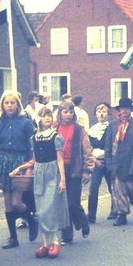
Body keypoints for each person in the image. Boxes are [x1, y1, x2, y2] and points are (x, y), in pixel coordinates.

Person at [11, 106, 69, 258]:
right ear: (39, 119)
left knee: (51, 208)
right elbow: (34, 160)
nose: (47, 118)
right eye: (44, 116)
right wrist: (20, 168)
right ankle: (45, 243)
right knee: (41, 210)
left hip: (52, 174)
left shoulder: (56, 137)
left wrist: (62, 180)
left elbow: (60, 159)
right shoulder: (34, 138)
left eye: (49, 115)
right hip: (39, 174)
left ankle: (55, 242)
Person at [0, 90, 38, 249]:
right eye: (7, 103)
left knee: (17, 202)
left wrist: (30, 165)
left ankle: (31, 220)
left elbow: (32, 146)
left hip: (20, 163)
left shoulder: (26, 123)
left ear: (18, 104)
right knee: (8, 204)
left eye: (13, 103)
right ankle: (13, 237)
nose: (10, 106)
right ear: (2, 105)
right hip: (4, 163)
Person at [103, 97, 133, 227]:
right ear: (119, 110)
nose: (124, 111)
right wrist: (109, 164)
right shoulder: (112, 125)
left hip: (131, 164)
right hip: (116, 165)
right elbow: (108, 146)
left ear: (131, 110)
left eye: (127, 109)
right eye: (122, 109)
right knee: (118, 191)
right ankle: (122, 215)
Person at [56, 100, 94, 243]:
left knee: (73, 202)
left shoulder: (79, 130)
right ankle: (67, 235)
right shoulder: (55, 128)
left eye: (71, 112)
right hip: (59, 170)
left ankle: (83, 222)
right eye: (65, 112)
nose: (68, 115)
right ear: (60, 113)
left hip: (74, 168)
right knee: (63, 204)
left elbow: (87, 151)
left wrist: (87, 170)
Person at [87, 102, 112, 223]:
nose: (101, 114)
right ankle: (91, 215)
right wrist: (95, 161)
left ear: (108, 114)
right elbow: (88, 148)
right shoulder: (92, 130)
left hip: (109, 161)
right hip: (97, 162)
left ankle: (115, 210)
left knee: (112, 187)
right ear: (95, 114)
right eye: (99, 111)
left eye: (104, 111)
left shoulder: (111, 128)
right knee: (93, 188)